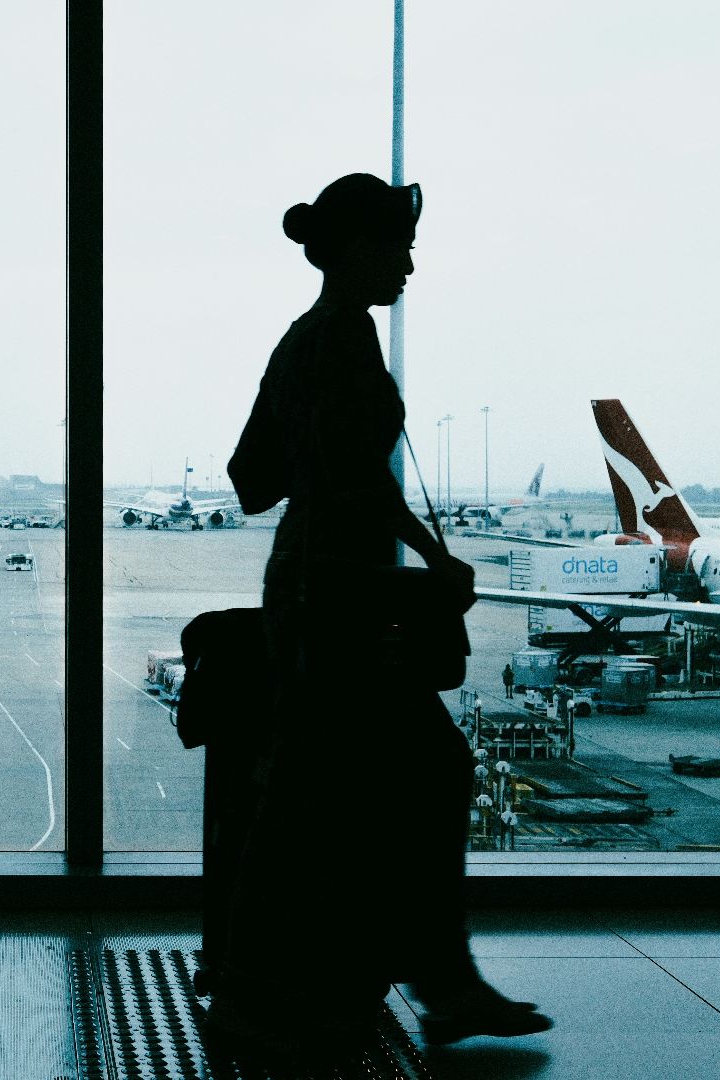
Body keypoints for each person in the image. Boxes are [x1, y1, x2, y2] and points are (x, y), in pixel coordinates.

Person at [219, 173, 551, 1052]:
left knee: (316, 785)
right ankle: (427, 981)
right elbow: (356, 483)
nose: (409, 263)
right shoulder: (343, 344)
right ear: (357, 249)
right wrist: (428, 553)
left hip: (312, 589)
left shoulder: (307, 342)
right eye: (396, 246)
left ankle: (288, 979)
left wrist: (341, 483)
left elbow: (252, 478)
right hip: (338, 597)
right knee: (408, 773)